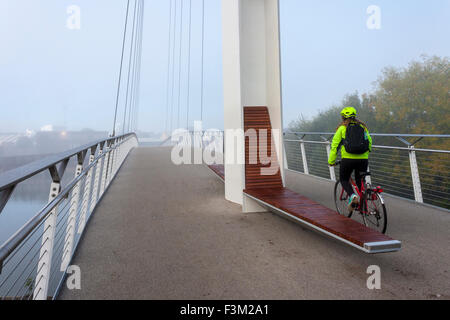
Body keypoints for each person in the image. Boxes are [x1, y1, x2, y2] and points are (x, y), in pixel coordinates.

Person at [328, 107, 372, 212]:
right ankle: (364, 206)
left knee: (344, 179)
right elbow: (369, 142)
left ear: (343, 117)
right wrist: (364, 154)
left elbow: (335, 146)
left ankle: (352, 196)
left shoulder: (342, 128)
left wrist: (331, 161)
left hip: (347, 160)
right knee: (360, 181)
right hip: (363, 159)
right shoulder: (363, 127)